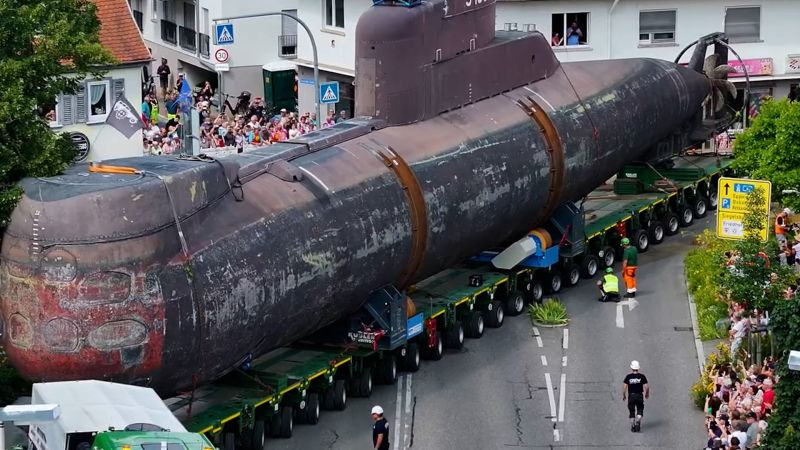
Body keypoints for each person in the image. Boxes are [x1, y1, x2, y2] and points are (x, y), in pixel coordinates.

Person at [622, 360, 649, 432]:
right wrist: (647, 394)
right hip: (639, 395)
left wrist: (624, 395)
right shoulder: (642, 376)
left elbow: (625, 387)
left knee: (632, 411)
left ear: (631, 368)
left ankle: (633, 426)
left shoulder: (628, 377)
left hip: (631, 396)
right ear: (638, 368)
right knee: (640, 409)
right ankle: (638, 421)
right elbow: (647, 387)